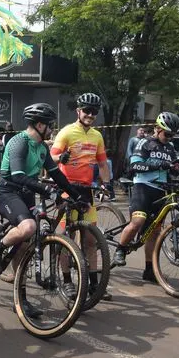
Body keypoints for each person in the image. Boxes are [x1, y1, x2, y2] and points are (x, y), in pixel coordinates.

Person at [0, 103, 90, 316]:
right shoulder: (20, 142)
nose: (52, 128)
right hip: (8, 191)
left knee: (26, 243)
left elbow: (58, 177)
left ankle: (20, 297)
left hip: (26, 192)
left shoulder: (42, 147)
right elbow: (17, 176)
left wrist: (76, 196)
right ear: (38, 124)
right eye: (50, 125)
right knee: (28, 227)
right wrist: (46, 190)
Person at [50, 92, 113, 301]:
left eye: (94, 112)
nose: (90, 115)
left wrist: (107, 183)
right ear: (78, 111)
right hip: (66, 189)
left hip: (86, 191)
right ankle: (67, 281)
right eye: (86, 110)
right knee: (66, 239)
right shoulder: (67, 132)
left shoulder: (97, 136)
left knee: (90, 240)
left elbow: (102, 163)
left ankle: (94, 285)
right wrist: (62, 157)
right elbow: (51, 157)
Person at [112, 112, 179, 282]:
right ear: (157, 129)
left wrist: (175, 168)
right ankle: (121, 249)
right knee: (137, 222)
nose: (169, 138)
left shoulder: (170, 147)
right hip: (143, 187)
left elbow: (171, 168)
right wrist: (159, 164)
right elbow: (135, 165)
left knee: (154, 232)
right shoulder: (145, 143)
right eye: (167, 134)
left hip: (161, 190)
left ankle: (149, 270)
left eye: (172, 135)